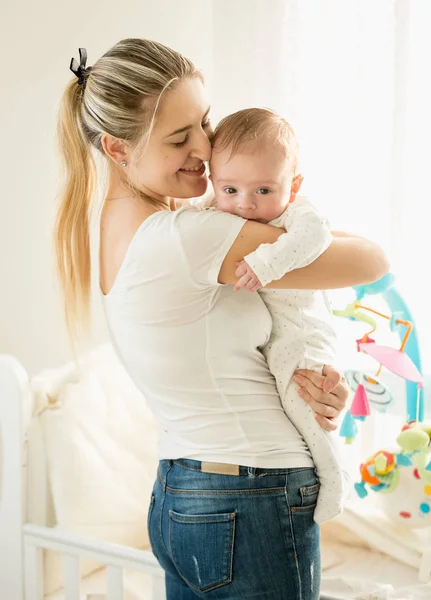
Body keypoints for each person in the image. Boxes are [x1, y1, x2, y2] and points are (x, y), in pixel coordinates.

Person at [55, 39, 389, 599]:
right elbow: (372, 259)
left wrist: (306, 380)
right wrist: (294, 213)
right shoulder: (190, 237)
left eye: (204, 123)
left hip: (183, 494)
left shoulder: (125, 228)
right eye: (179, 137)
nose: (206, 147)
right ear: (116, 148)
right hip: (250, 496)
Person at [210, 107, 354, 524]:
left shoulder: (296, 213)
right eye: (230, 189)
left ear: (293, 186)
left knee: (305, 405)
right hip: (277, 336)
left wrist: (267, 264)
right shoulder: (216, 215)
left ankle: (335, 472)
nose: (245, 205)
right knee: (296, 404)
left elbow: (317, 236)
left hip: (303, 334)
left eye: (263, 191)